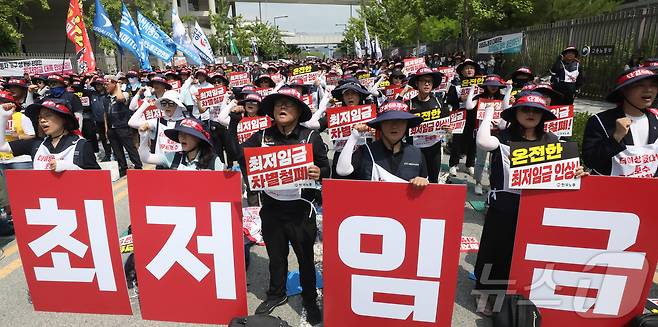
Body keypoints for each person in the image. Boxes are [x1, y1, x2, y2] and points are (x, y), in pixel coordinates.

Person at [474, 93, 586, 314]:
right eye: (525, 110)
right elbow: (482, 141)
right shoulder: (503, 137)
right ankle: (483, 291)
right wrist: (488, 113)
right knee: (493, 251)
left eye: (537, 110)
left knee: (521, 253)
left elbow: (566, 171)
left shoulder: (553, 140)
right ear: (515, 113)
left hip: (536, 208)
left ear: (544, 115)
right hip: (503, 207)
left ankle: (513, 293)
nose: (531, 114)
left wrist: (577, 171)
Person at [225, 87, 328, 324]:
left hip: (301, 211)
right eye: (278, 105)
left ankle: (310, 298)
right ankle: (276, 294)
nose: (282, 108)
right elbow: (235, 153)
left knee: (305, 258)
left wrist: (318, 172)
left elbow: (326, 168)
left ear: (299, 111)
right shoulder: (262, 136)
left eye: (288, 105)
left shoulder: (310, 137)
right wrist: (233, 122)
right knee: (276, 257)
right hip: (271, 209)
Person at [582, 67, 658, 177]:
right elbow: (590, 161)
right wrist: (616, 138)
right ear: (624, 90)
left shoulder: (656, 118)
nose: (648, 89)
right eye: (640, 85)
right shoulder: (600, 121)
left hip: (648, 192)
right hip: (610, 191)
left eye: (653, 84)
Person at [335, 100, 429, 187]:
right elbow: (342, 171)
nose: (394, 126)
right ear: (380, 124)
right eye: (388, 121)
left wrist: (423, 182)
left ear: (407, 125)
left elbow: (426, 194)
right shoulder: (365, 151)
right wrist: (354, 136)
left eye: (400, 121)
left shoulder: (417, 154)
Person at [0, 98, 99, 171]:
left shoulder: (81, 145)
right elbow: (2, 146)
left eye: (48, 115)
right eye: (40, 117)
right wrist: (3, 117)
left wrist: (70, 168)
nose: (42, 120)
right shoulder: (37, 144)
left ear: (64, 118)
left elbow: (97, 180)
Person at [464, 74, 510, 195]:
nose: (493, 87)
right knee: (480, 160)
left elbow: (506, 109)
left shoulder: (502, 97)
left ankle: (492, 183)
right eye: (490, 85)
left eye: (496, 85)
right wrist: (472, 91)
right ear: (486, 85)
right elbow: (469, 106)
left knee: (494, 161)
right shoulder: (480, 97)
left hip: (498, 133)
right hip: (482, 133)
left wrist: (509, 91)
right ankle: (478, 182)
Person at [402, 67, 449, 183]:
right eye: (423, 81)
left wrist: (447, 128)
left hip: (434, 148)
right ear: (417, 84)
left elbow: (445, 124)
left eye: (430, 81)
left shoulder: (439, 102)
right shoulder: (409, 104)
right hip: (414, 149)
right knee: (415, 180)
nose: (427, 84)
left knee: (433, 180)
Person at [0, 91, 35, 234]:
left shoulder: (22, 117)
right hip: (3, 160)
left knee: (26, 192)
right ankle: (13, 221)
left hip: (20, 160)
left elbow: (32, 137)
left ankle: (31, 218)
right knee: (7, 196)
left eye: (4, 102)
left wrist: (18, 135)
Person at [138, 117, 223, 170]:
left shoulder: (213, 161)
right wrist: (144, 135)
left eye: (188, 134)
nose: (182, 137)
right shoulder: (173, 157)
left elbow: (224, 190)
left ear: (199, 139)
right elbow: (145, 158)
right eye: (180, 134)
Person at [131, 90, 187, 169]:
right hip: (161, 164)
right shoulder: (157, 121)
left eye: (171, 103)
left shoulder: (187, 123)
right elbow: (132, 122)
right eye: (164, 103)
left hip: (182, 166)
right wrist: (145, 105)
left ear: (178, 105)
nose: (167, 106)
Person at [447, 59, 480, 177]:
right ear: (462, 71)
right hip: (460, 115)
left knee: (473, 140)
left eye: (472, 67)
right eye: (466, 68)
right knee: (457, 140)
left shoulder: (480, 84)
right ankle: (453, 164)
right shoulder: (456, 85)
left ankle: (470, 164)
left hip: (475, 115)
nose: (469, 70)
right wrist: (460, 99)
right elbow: (449, 99)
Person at [104, 75, 142, 177]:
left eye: (107, 84)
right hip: (111, 128)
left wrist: (117, 87)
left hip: (122, 127)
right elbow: (105, 114)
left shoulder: (124, 93)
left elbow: (121, 99)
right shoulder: (106, 98)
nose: (105, 86)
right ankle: (123, 167)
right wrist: (106, 129)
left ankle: (138, 166)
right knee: (117, 150)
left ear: (114, 84)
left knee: (130, 148)